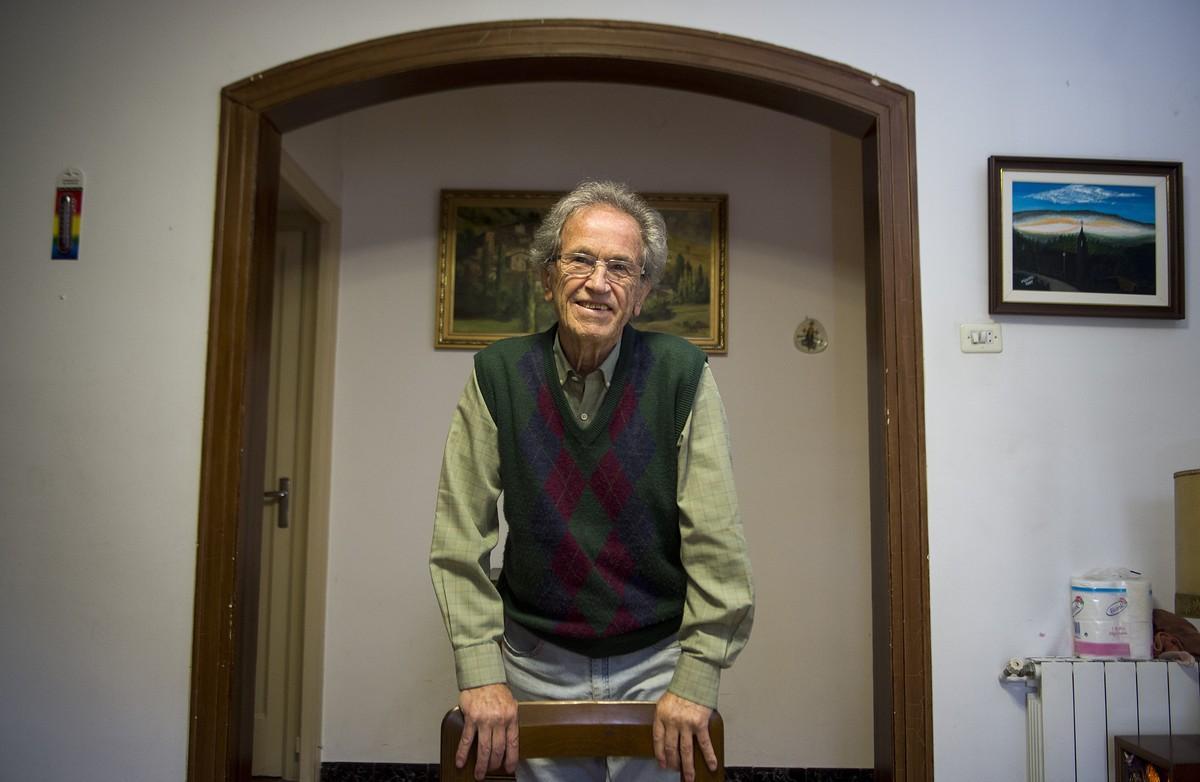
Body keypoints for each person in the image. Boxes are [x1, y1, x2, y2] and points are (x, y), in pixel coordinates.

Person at [430, 180, 753, 782]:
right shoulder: (496, 374)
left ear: (642, 294)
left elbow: (715, 535)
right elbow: (459, 536)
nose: (598, 282)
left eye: (620, 268)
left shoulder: (681, 373)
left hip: (657, 659)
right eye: (580, 259)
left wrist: (699, 673)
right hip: (534, 658)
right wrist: (480, 670)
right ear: (548, 276)